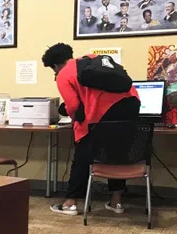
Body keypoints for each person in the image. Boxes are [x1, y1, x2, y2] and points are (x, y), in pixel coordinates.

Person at [42, 43, 140, 216]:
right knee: (118, 154)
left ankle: (70, 203)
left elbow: (73, 105)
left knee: (82, 156)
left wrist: (75, 120)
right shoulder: (92, 60)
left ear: (55, 66)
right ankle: (116, 202)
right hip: (131, 105)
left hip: (102, 114)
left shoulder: (63, 74)